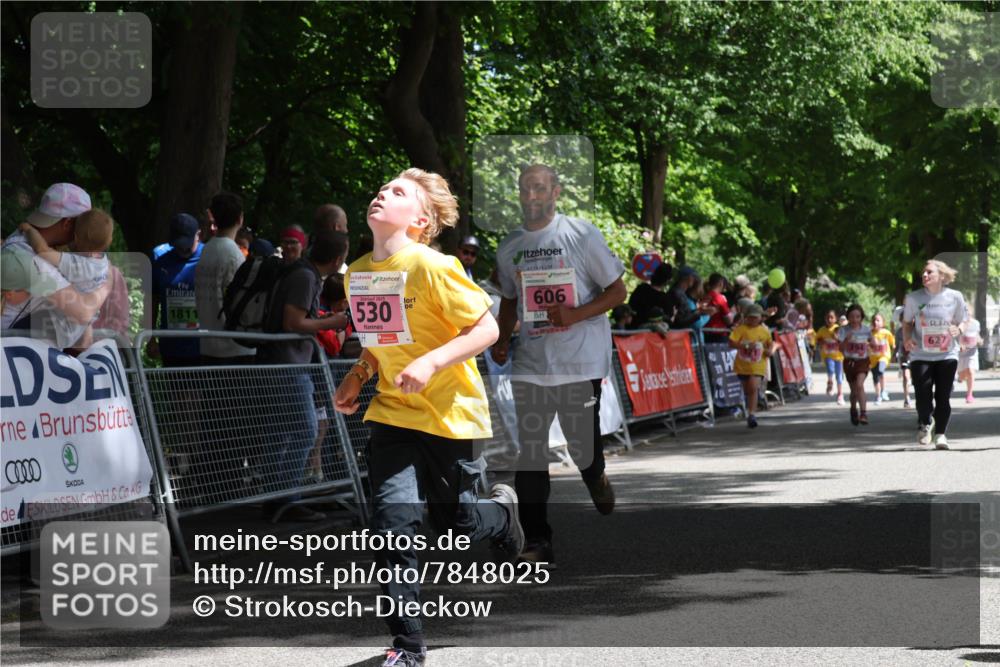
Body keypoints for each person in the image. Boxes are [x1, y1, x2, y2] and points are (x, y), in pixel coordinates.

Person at [334, 168, 523, 666]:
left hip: (448, 416)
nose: (381, 193)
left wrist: (433, 360)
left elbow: (484, 330)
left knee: (457, 526)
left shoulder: (434, 266)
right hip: (393, 414)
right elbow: (381, 341)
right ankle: (409, 647)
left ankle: (502, 513)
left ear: (420, 220)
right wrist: (358, 373)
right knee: (391, 525)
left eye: (397, 192)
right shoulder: (356, 272)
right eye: (381, 187)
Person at [492, 163, 626, 567]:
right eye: (524, 189)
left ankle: (595, 474)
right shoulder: (509, 245)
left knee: (582, 447)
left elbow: (617, 291)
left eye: (539, 188)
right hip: (532, 361)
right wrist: (501, 339)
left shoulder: (580, 234)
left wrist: (576, 313)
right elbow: (512, 298)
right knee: (530, 454)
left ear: (556, 192)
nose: (531, 196)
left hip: (578, 361)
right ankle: (537, 540)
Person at [257, 230, 349, 521]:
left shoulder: (302, 273)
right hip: (288, 365)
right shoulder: (305, 277)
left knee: (280, 432)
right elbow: (293, 321)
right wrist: (332, 322)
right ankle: (287, 499)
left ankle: (276, 499)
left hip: (283, 363)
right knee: (306, 430)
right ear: (337, 260)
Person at [2, 184, 111, 349]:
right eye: (82, 226)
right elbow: (83, 313)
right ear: (67, 223)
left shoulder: (22, 237)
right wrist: (107, 282)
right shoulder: (30, 260)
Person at [902, 260, 969, 449]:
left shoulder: (955, 297)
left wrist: (959, 329)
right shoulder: (913, 298)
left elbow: (964, 319)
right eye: (923, 273)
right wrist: (907, 338)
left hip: (947, 353)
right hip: (921, 354)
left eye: (929, 272)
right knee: (922, 395)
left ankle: (940, 434)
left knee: (943, 395)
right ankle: (925, 422)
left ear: (941, 276)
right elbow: (907, 323)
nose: (924, 275)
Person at [195, 192, 256, 364]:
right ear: (240, 219)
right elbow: (239, 302)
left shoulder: (206, 250)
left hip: (209, 345)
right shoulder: (233, 255)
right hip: (233, 348)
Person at [149, 213, 203, 366]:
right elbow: (153, 298)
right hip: (171, 346)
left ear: (198, 235)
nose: (182, 249)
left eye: (187, 244)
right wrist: (151, 337)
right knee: (175, 389)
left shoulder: (208, 256)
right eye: (178, 244)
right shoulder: (160, 256)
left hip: (202, 346)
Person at [729, 303, 772, 428]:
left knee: (753, 387)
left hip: (758, 365)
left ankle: (752, 414)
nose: (752, 319)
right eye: (750, 317)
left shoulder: (764, 331)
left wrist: (770, 350)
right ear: (746, 317)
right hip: (743, 365)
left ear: (761, 317)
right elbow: (731, 343)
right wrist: (745, 346)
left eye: (755, 317)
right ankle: (749, 410)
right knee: (748, 390)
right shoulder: (741, 329)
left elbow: (770, 343)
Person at [838, 304, 872, 425]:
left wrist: (871, 347)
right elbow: (840, 348)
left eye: (857, 316)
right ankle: (853, 408)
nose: (854, 319)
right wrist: (847, 340)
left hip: (862, 361)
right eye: (852, 316)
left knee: (859, 385)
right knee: (854, 391)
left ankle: (863, 413)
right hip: (849, 362)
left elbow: (872, 343)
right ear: (848, 317)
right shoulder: (843, 330)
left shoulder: (867, 330)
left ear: (861, 317)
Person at [628, 262, 672, 328]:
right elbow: (668, 317)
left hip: (633, 328)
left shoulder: (641, 289)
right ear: (667, 281)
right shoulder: (665, 299)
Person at [815, 310, 845, 405]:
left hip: (839, 357)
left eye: (832, 317)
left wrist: (836, 338)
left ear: (835, 319)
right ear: (825, 319)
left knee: (839, 377)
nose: (829, 319)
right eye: (828, 317)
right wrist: (821, 342)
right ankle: (830, 382)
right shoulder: (822, 330)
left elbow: (843, 341)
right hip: (827, 355)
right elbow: (817, 340)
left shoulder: (838, 329)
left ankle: (840, 394)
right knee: (830, 369)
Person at [869, 312, 895, 404]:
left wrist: (894, 353)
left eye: (878, 320)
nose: (876, 322)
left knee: (880, 371)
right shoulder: (869, 334)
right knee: (875, 377)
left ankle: (883, 391)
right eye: (874, 320)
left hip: (884, 357)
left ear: (883, 323)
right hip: (872, 359)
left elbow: (893, 343)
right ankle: (878, 395)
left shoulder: (886, 333)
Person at [956, 316, 982, 404]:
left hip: (972, 350)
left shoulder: (976, 323)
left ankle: (969, 394)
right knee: (962, 375)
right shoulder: (958, 322)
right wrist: (959, 345)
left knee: (971, 371)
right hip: (960, 352)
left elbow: (977, 335)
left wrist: (979, 340)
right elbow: (954, 335)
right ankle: (960, 377)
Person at [891, 305, 913, 408]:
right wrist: (893, 355)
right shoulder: (899, 332)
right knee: (905, 376)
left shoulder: (917, 330)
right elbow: (896, 345)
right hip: (904, 356)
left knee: (916, 379)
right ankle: (906, 398)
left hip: (916, 357)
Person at [703, 272, 733, 342]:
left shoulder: (703, 296)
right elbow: (729, 320)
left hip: (704, 333)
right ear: (720, 284)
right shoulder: (719, 298)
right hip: (718, 335)